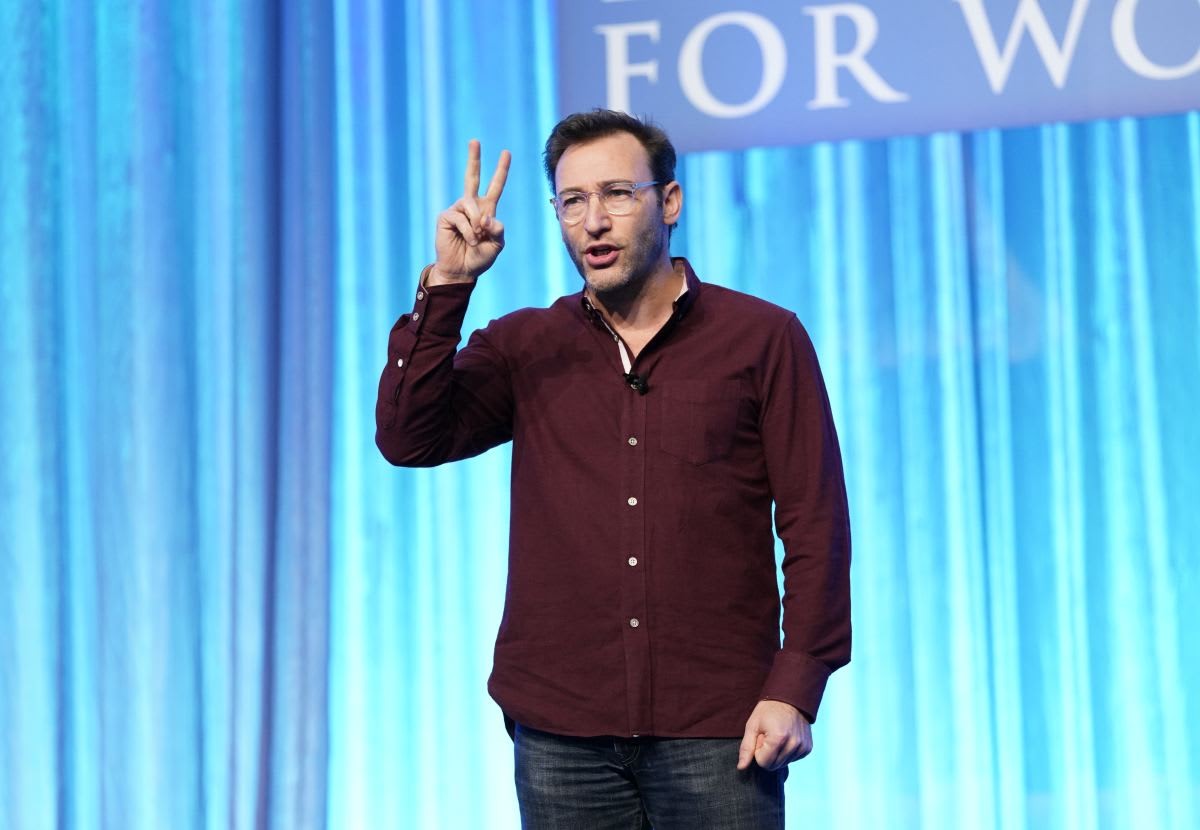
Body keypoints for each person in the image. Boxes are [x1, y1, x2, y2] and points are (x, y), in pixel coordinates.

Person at [375, 110, 851, 829]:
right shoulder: (526, 346)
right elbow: (409, 436)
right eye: (572, 202)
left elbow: (816, 524)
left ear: (669, 202)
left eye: (617, 194)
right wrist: (447, 285)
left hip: (719, 726)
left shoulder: (762, 339)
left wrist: (797, 684)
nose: (593, 220)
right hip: (563, 730)